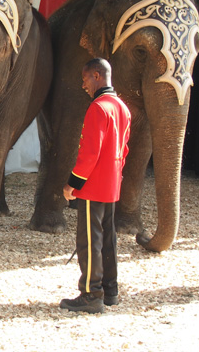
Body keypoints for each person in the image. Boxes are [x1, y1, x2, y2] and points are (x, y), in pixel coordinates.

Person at [60, 58, 131, 314]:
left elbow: (89, 154)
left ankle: (91, 293)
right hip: (112, 184)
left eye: (85, 78)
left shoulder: (98, 108)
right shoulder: (122, 107)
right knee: (108, 239)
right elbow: (123, 150)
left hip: (93, 185)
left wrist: (72, 184)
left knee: (89, 241)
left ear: (98, 76)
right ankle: (110, 291)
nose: (83, 84)